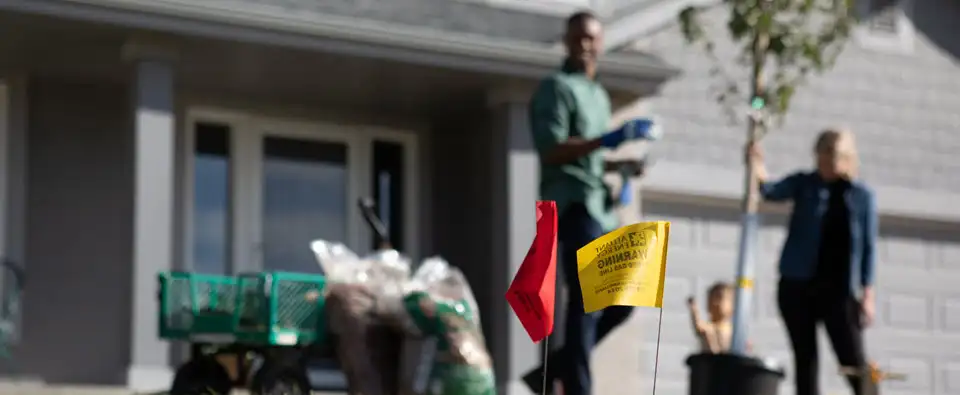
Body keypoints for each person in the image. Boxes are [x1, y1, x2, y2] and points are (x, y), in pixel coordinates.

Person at [521, 10, 659, 395]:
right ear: (567, 41)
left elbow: (594, 155)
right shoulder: (556, 88)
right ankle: (578, 388)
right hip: (571, 205)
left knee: (622, 303)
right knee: (586, 301)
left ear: (601, 43)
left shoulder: (598, 95)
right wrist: (608, 140)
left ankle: (550, 375)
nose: (586, 44)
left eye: (592, 38)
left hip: (600, 207)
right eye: (579, 37)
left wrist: (620, 161)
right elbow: (551, 149)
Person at [748, 128, 877, 395]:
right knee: (806, 360)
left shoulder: (862, 196)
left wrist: (867, 294)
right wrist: (756, 163)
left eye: (833, 156)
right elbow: (770, 191)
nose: (827, 162)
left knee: (853, 360)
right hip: (798, 286)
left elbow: (868, 248)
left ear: (846, 158)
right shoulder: (804, 184)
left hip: (839, 291)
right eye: (822, 155)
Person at [686, 282, 736, 354]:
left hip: (727, 362)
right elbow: (698, 327)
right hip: (709, 362)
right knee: (708, 333)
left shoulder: (732, 330)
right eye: (710, 299)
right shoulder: (708, 328)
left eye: (720, 298)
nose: (714, 302)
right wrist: (694, 310)